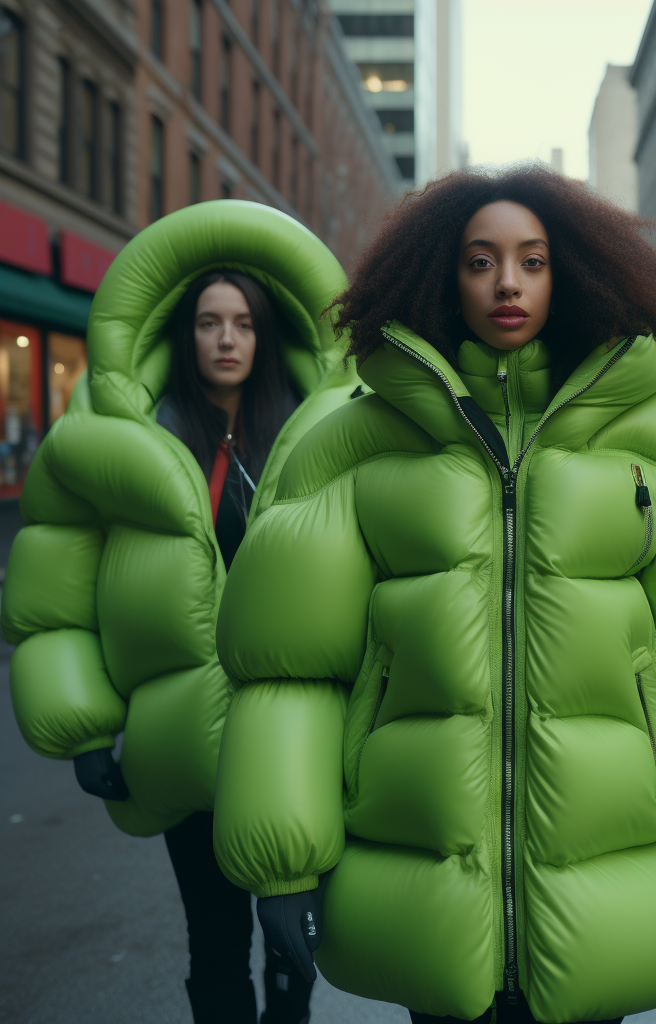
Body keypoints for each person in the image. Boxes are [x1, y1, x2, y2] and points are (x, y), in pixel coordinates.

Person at [211, 166, 656, 1024]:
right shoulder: (352, 446)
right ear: (439, 276)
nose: (507, 284)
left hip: (606, 886)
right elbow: (291, 674)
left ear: (571, 274)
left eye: (532, 261)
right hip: (425, 888)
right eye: (480, 261)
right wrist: (283, 866)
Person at [2, 200, 358, 1024]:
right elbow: (59, 584)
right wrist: (83, 726)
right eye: (208, 322)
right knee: (213, 940)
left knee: (293, 939)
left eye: (242, 322)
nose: (226, 339)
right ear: (185, 333)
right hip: (179, 736)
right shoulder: (128, 436)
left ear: (265, 335)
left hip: (297, 735)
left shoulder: (320, 436)